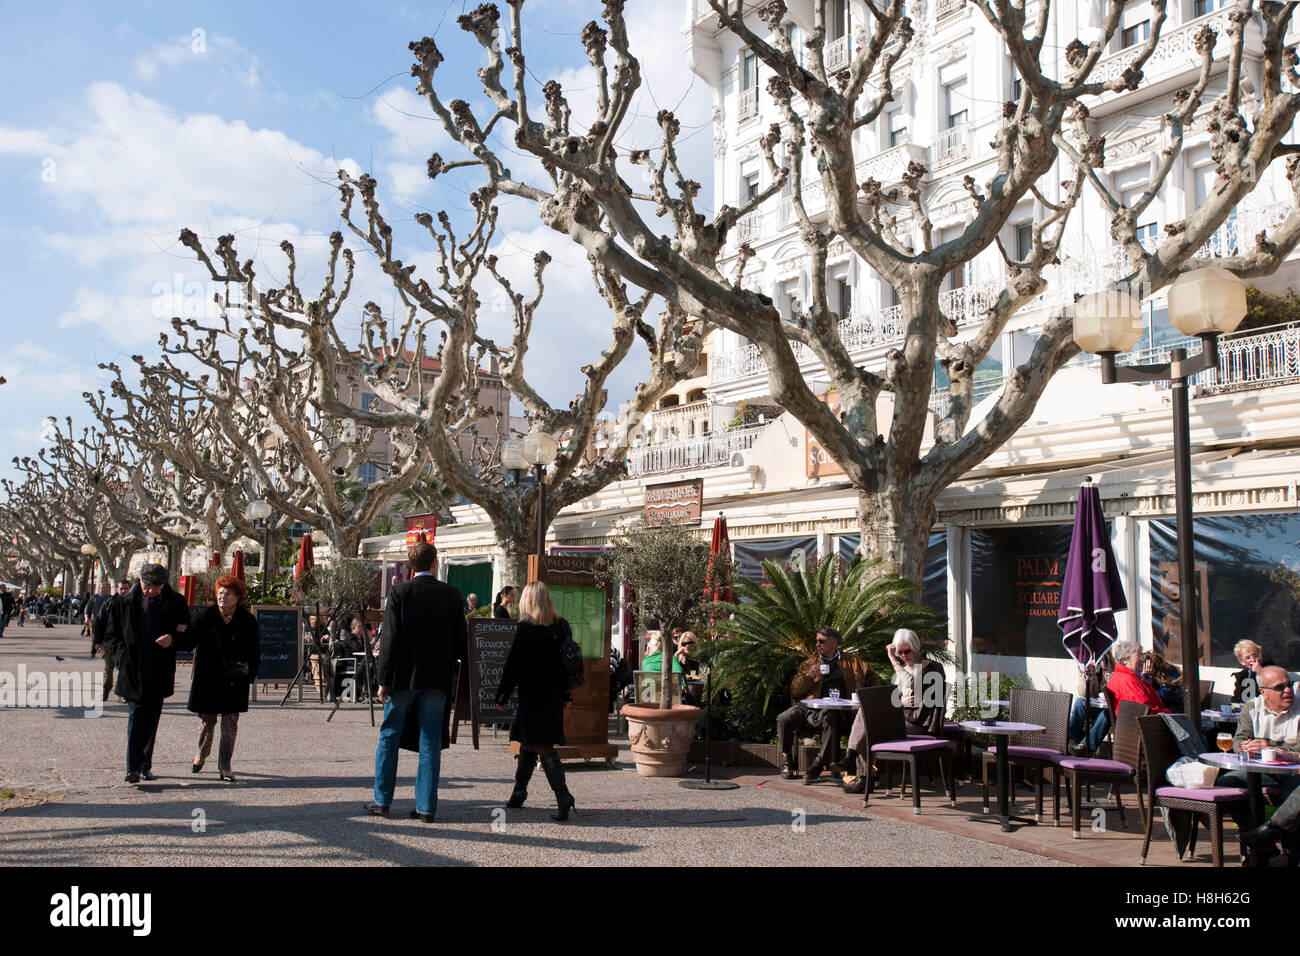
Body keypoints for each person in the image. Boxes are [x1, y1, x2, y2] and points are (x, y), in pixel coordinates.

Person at [365, 542, 467, 823]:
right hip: (436, 678)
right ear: (435, 563)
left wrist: (383, 679)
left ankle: (382, 800)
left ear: (411, 566)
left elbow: (390, 639)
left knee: (389, 735)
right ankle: (426, 807)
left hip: (402, 677)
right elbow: (461, 643)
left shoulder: (399, 593)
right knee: (430, 741)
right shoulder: (452, 595)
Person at [102, 564, 192, 783]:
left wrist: (174, 639)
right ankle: (132, 768)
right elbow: (111, 635)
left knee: (151, 720)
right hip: (132, 669)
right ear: (139, 581)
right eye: (147, 586)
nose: (150, 591)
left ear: (164, 585)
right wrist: (121, 657)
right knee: (135, 719)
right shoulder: (122, 602)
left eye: (156, 587)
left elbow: (188, 634)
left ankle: (145, 765)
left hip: (159, 669)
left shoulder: (176, 602)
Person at [495, 581, 576, 821]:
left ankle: (563, 796)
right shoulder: (561, 626)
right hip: (552, 694)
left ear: (527, 602)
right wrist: (566, 694)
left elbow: (513, 665)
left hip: (532, 693)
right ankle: (518, 792)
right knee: (528, 741)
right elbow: (567, 665)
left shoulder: (526, 628)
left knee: (541, 744)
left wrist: (502, 695)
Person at [837, 629, 941, 794]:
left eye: (907, 651)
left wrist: (892, 659)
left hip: (920, 723)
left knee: (869, 725)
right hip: (903, 719)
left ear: (916, 647)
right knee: (865, 714)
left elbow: (910, 685)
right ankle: (855, 761)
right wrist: (900, 702)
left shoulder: (931, 668)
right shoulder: (904, 670)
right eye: (900, 653)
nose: (904, 656)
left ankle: (862, 774)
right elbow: (895, 698)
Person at [776, 626, 876, 784]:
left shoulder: (853, 661)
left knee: (831, 719)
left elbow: (873, 678)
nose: (817, 644)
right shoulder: (810, 664)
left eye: (821, 641)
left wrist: (864, 697)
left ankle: (817, 764)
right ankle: (787, 759)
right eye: (816, 641)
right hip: (810, 707)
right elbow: (795, 691)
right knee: (784, 718)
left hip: (841, 710)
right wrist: (809, 676)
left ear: (834, 642)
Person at [188, 575, 261, 782]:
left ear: (237, 597)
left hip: (234, 678)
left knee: (230, 725)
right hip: (208, 678)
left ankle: (225, 765)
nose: (222, 596)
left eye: (227, 593)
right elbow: (189, 639)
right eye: (220, 592)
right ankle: (201, 755)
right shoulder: (205, 616)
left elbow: (255, 650)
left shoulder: (248, 621)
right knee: (206, 723)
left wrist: (250, 673)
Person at [1223, 666, 1300, 860]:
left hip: (1294, 772)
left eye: (1289, 685)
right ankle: (1258, 839)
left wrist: (1273, 748)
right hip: (1263, 771)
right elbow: (1238, 739)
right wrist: (1244, 746)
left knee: (1293, 792)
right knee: (1227, 783)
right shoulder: (1252, 708)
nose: (1288, 691)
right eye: (1280, 687)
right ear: (1263, 692)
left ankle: (1273, 835)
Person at [1105, 640, 1170, 716]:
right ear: (1124, 660)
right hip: (1144, 724)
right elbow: (1143, 708)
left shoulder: (1122, 676)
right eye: (1139, 656)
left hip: (1140, 721)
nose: (1143, 659)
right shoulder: (1128, 680)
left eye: (1142, 655)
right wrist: (1167, 713)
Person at [92, 580, 131, 699]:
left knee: (124, 669)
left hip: (126, 643)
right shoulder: (109, 604)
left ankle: (123, 693)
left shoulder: (133, 603)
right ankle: (105, 690)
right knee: (108, 668)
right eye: (121, 588)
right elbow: (99, 622)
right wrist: (98, 641)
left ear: (129, 589)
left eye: (126, 588)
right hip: (109, 642)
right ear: (117, 589)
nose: (123, 591)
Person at [1231, 639, 1275, 703]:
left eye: (1255, 655)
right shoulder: (1242, 675)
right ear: (1241, 661)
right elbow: (1237, 698)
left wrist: (1260, 671)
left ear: (1260, 655)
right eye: (1248, 658)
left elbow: (1273, 691)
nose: (1253, 660)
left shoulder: (1271, 668)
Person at [84, 581, 112, 650]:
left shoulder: (110, 598)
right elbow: (88, 608)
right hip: (96, 620)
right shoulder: (94, 597)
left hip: (107, 621)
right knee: (95, 636)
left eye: (105, 588)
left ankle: (104, 650)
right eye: (102, 588)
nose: (103, 589)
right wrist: (87, 617)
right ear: (99, 588)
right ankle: (93, 651)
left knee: (106, 636)